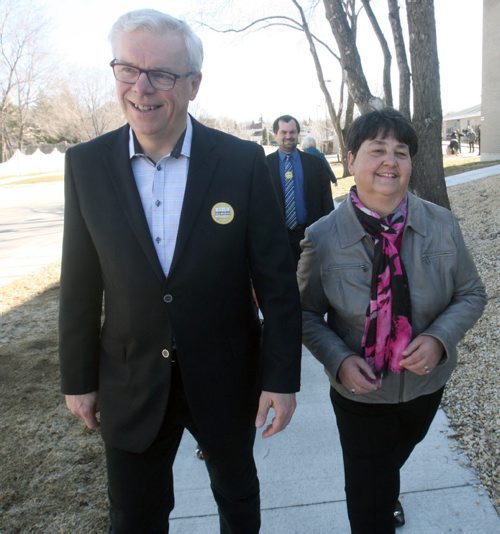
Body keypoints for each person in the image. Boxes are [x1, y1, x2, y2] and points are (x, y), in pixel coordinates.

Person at [58, 9, 302, 533]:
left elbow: (278, 285)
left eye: (162, 74)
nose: (142, 88)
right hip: (130, 378)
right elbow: (79, 284)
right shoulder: (86, 164)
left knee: (238, 502)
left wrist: (281, 378)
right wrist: (77, 378)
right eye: (128, 69)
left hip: (225, 376)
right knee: (135, 517)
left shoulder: (240, 163)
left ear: (193, 84)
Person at [298, 108, 486, 533]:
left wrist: (439, 339)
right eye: (377, 150)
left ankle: (387, 487)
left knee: (389, 463)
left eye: (401, 152)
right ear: (351, 160)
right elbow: (305, 314)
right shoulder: (323, 237)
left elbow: (472, 293)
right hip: (360, 395)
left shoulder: (441, 224)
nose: (390, 161)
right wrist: (339, 360)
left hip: (425, 384)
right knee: (368, 499)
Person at [267, 115, 334, 267]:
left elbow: (326, 200)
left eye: (292, 132)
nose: (288, 136)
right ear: (275, 135)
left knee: (311, 282)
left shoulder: (315, 163)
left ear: (298, 134)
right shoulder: (264, 165)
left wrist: (327, 232)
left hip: (311, 234)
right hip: (278, 237)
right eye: (283, 132)